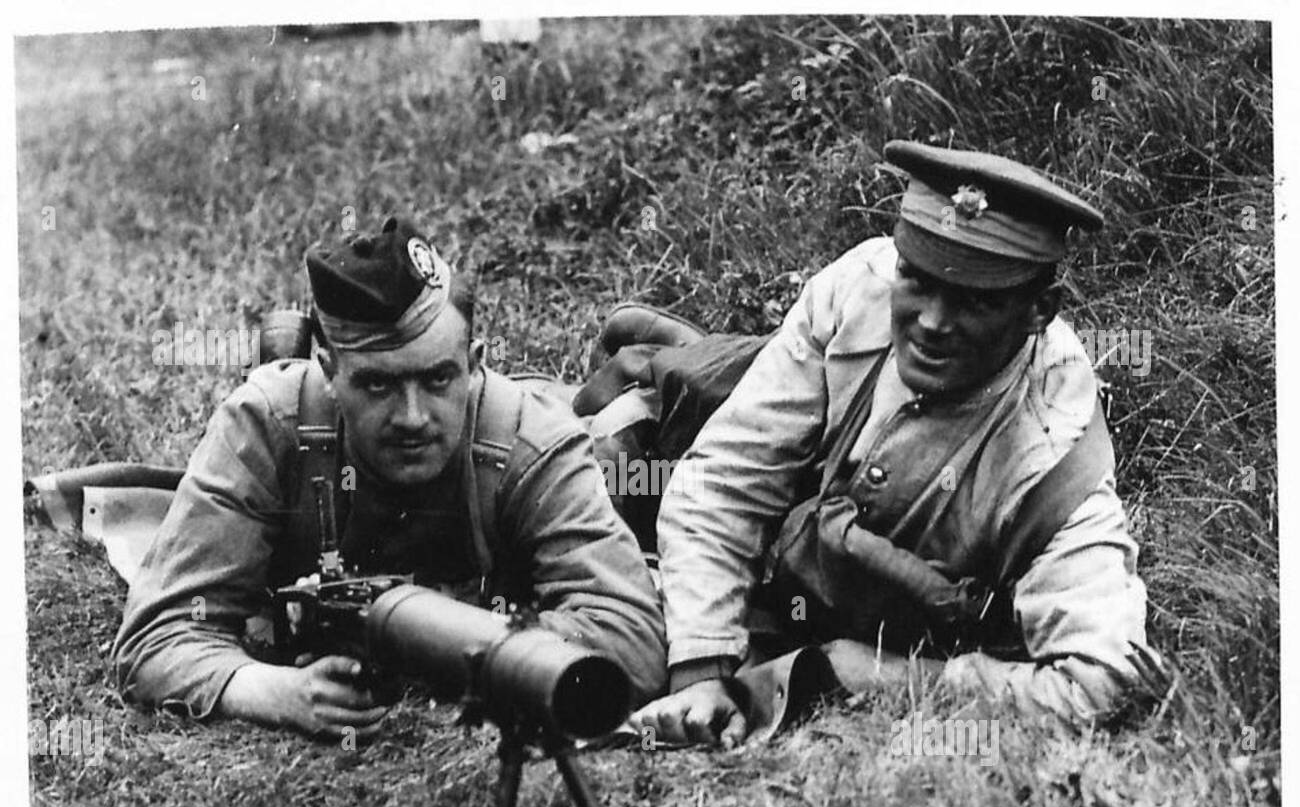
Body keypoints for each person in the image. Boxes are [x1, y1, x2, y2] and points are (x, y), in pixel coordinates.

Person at [627, 140, 1151, 748]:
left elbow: (1108, 682)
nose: (930, 322)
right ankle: (658, 355)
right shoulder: (862, 286)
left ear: (1040, 311)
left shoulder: (1052, 456)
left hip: (850, 603)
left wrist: (884, 676)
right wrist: (701, 669)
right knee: (621, 443)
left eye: (975, 301)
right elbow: (728, 476)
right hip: (787, 516)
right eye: (918, 280)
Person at [113, 216, 666, 741]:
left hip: (578, 445)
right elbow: (156, 638)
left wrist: (432, 640)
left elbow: (632, 645)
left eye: (438, 378)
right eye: (377, 385)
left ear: (474, 364)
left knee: (626, 444)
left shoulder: (532, 444)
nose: (412, 417)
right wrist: (277, 691)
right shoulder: (268, 424)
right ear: (328, 371)